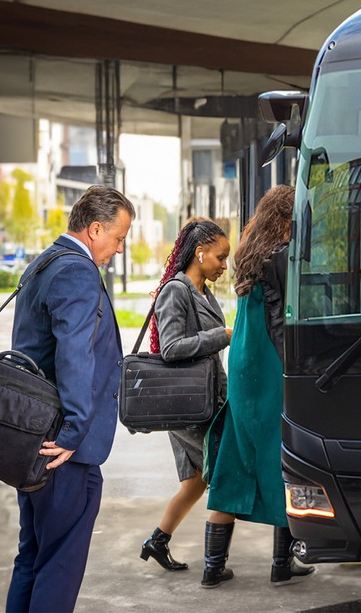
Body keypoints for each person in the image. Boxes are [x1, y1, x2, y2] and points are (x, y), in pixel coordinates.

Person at [6, 185, 134, 612]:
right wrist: (75, 432)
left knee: (34, 555)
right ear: (95, 229)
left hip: (33, 437)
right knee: (59, 563)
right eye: (117, 238)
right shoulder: (76, 271)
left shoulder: (43, 263)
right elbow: (73, 354)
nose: (117, 249)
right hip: (62, 448)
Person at [202, 185, 315, 588]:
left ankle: (212, 567)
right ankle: (282, 565)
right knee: (280, 461)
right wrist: (297, 369)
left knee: (234, 460)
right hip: (269, 363)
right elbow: (282, 321)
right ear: (287, 218)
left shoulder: (248, 255)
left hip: (244, 363)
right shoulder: (283, 256)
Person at [138, 219, 232, 571]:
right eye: (220, 257)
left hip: (201, 399)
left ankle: (157, 542)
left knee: (198, 481)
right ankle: (214, 565)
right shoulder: (175, 291)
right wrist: (221, 335)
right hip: (188, 404)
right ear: (200, 252)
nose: (224, 265)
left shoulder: (202, 292)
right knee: (224, 473)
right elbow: (173, 347)